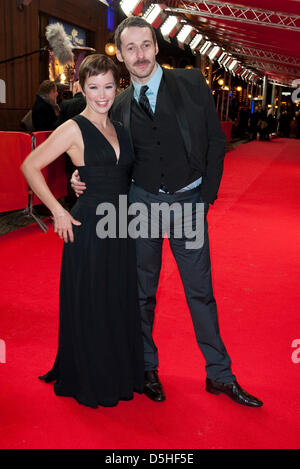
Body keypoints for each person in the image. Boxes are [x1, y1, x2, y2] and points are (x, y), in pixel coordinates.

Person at [72, 17, 263, 407]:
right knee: (142, 294)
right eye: (130, 48)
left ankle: (219, 375)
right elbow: (104, 153)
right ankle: (147, 368)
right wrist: (82, 179)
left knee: (200, 293)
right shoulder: (119, 104)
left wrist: (205, 195)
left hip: (188, 203)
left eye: (145, 45)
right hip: (141, 205)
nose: (139, 55)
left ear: (156, 46)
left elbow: (213, 137)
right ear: (121, 55)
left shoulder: (191, 82)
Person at [21, 54, 144, 408]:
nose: (102, 95)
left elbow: (121, 175)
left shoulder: (119, 126)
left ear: (116, 86)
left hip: (121, 226)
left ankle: (117, 370)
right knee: (93, 301)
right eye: (93, 87)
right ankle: (92, 376)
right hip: (89, 227)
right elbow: (29, 165)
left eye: (108, 86)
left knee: (116, 301)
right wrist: (58, 210)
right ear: (81, 88)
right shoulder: (73, 127)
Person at [56, 81, 87, 209]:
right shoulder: (89, 103)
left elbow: (58, 127)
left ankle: (70, 201)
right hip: (87, 145)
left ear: (75, 88)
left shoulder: (65, 105)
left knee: (70, 173)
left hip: (69, 147)